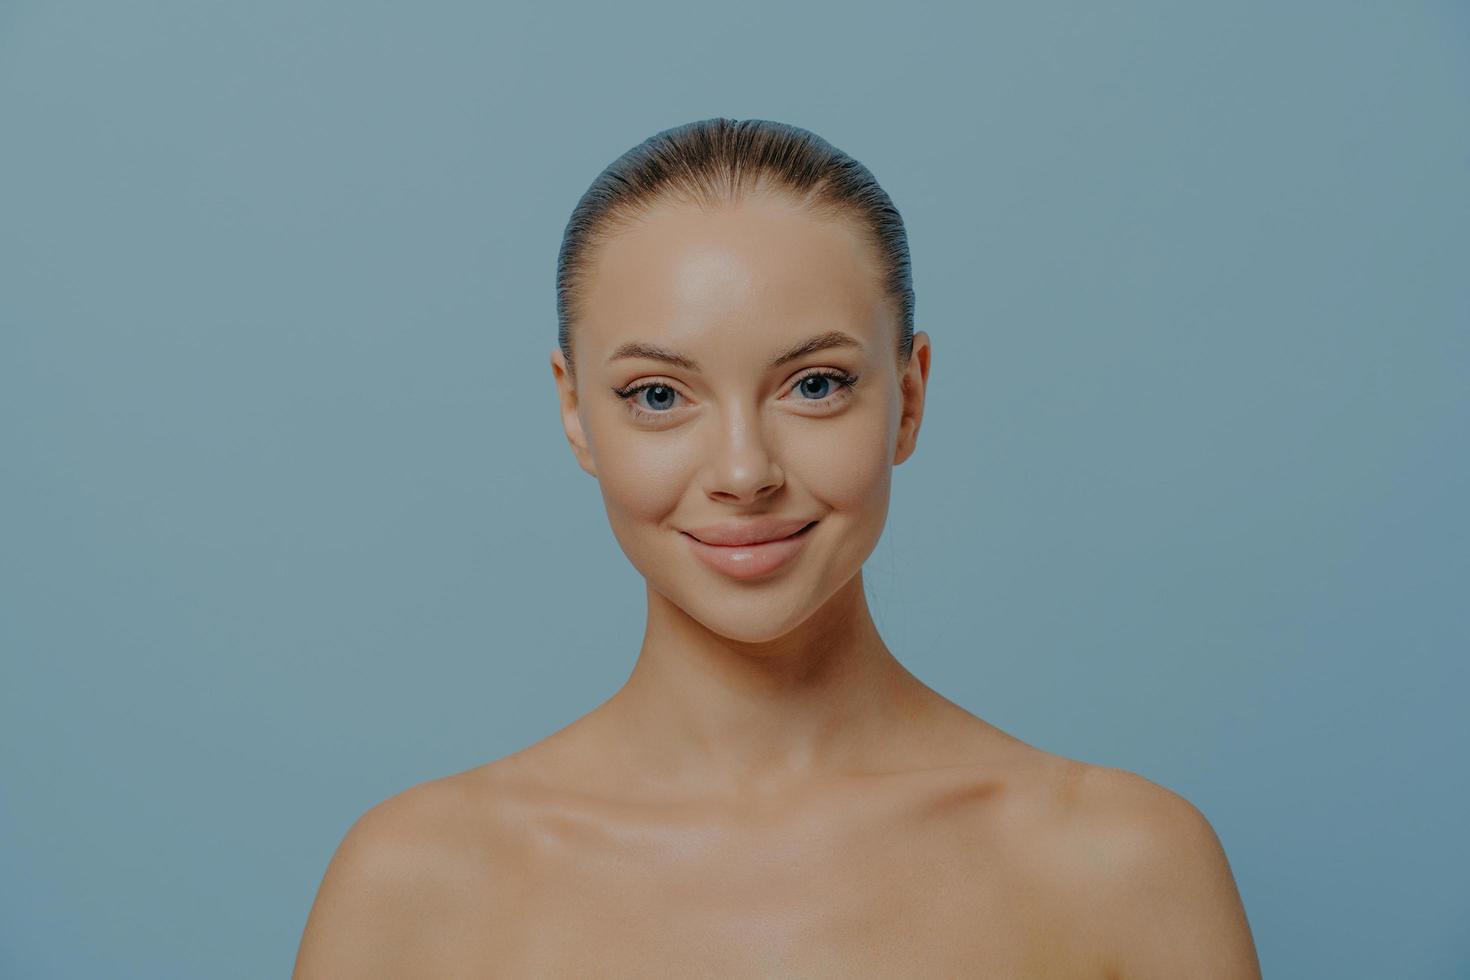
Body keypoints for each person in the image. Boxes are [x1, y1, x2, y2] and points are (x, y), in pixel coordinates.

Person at [293, 117, 1261, 978]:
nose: (745, 470)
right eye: (659, 396)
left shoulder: (1125, 866)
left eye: (815, 384)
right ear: (574, 410)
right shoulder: (412, 890)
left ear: (910, 395)